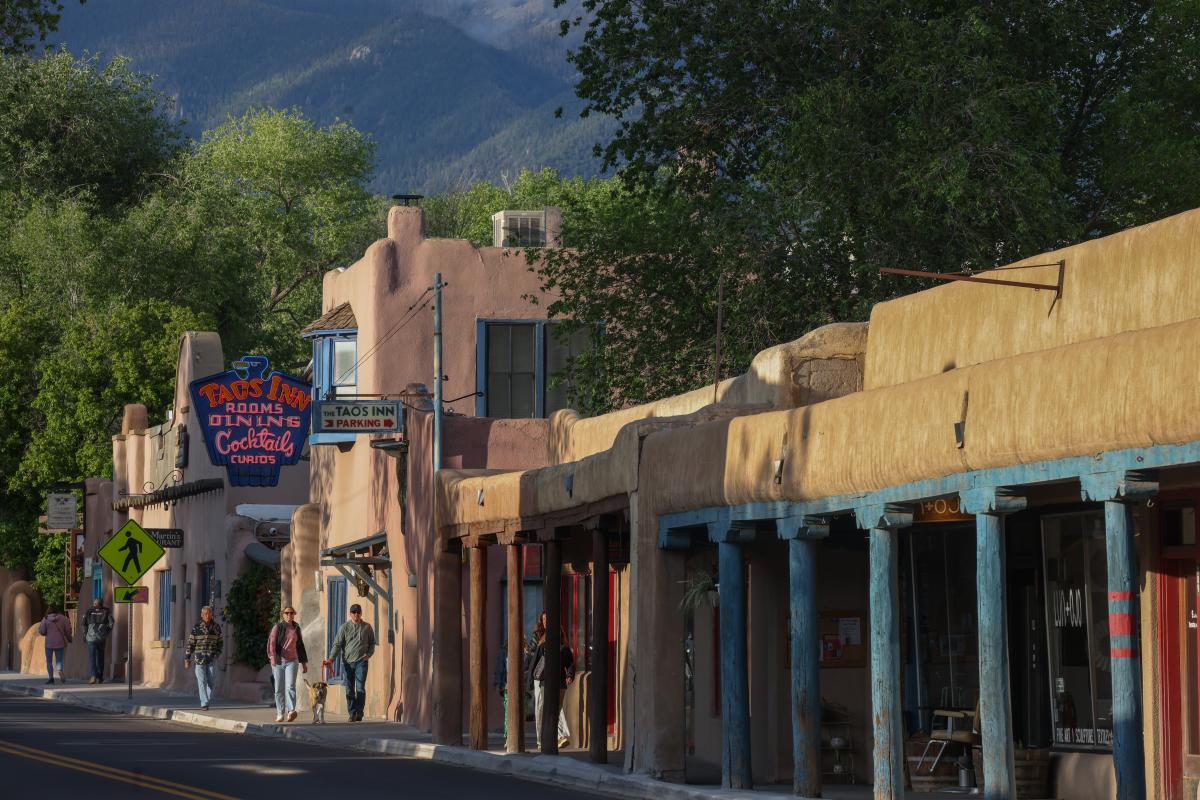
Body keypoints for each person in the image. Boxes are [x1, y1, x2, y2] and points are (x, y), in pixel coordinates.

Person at [525, 611, 574, 749]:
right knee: (540, 709)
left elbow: (569, 661)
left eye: (548, 618)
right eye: (544, 619)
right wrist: (529, 681)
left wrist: (569, 675)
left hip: (554, 680)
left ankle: (559, 736)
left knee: (554, 707)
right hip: (540, 677)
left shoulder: (562, 643)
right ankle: (542, 740)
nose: (546, 621)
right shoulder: (538, 636)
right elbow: (533, 659)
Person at [324, 603, 375, 722]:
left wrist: (369, 655)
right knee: (349, 688)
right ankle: (352, 713)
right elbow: (337, 644)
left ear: (361, 613)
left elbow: (372, 642)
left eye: (358, 612)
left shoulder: (367, 627)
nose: (356, 614)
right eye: (354, 612)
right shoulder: (344, 627)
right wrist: (331, 659)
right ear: (350, 614)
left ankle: (359, 712)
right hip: (347, 663)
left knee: (360, 687)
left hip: (362, 661)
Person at [267, 606, 309, 723]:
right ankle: (280, 713)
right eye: (287, 613)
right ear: (283, 615)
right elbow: (272, 643)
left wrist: (304, 663)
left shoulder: (296, 627)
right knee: (278, 689)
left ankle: (291, 711)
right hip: (278, 661)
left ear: (294, 614)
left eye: (291, 613)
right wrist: (272, 657)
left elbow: (300, 645)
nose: (289, 615)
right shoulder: (278, 627)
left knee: (290, 686)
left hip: (292, 661)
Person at [184, 606, 223, 710]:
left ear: (211, 614)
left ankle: (207, 699)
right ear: (201, 615)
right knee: (201, 681)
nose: (207, 615)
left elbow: (220, 642)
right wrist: (187, 658)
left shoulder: (216, 627)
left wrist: (217, 653)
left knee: (212, 681)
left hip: (211, 658)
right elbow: (191, 643)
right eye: (205, 614)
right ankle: (204, 703)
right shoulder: (196, 627)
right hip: (199, 659)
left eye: (209, 613)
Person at [80, 598, 114, 684]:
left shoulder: (89, 611)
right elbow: (111, 623)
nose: (94, 604)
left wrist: (84, 634)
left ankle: (93, 676)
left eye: (95, 603)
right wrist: (106, 632)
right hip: (101, 638)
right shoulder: (106, 611)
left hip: (91, 638)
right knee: (100, 658)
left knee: (92, 658)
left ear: (98, 604)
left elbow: (84, 624)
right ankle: (99, 677)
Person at [37, 605, 72, 685]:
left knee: (49, 661)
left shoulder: (45, 619)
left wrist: (46, 632)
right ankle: (59, 670)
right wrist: (69, 638)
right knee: (59, 660)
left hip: (49, 643)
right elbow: (68, 630)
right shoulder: (63, 618)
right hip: (60, 642)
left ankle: (51, 678)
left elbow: (42, 631)